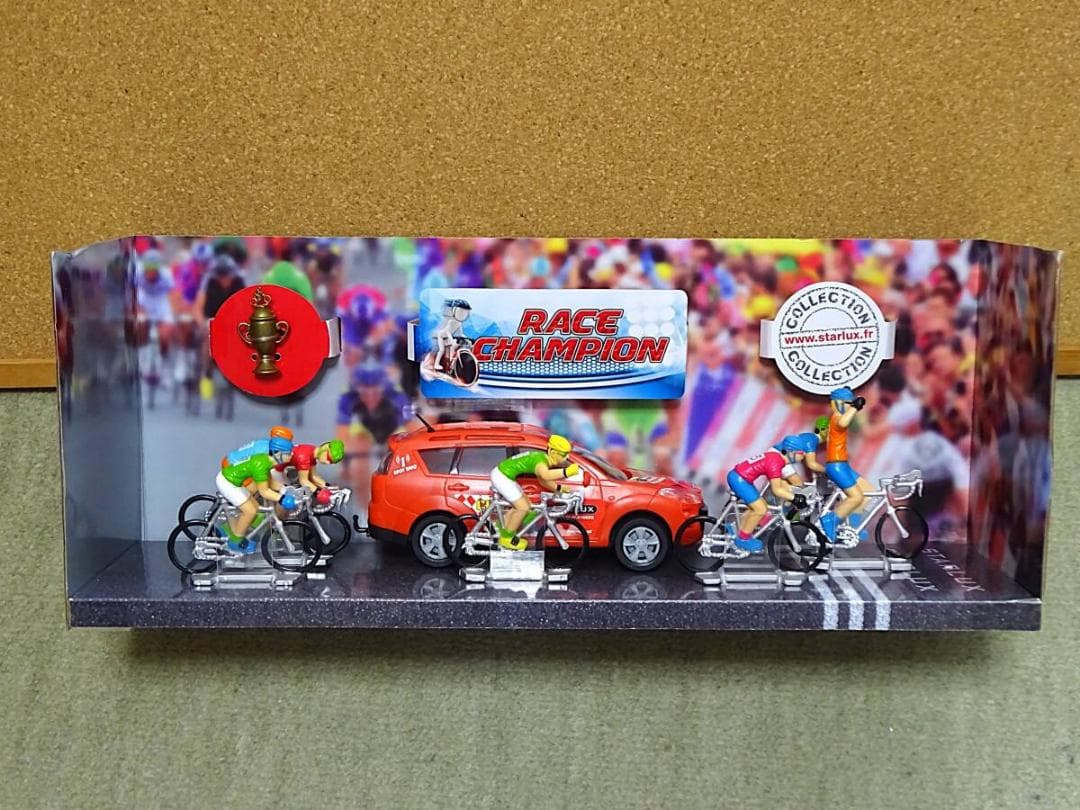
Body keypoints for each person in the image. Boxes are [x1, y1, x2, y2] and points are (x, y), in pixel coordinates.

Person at [491, 435, 579, 551]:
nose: (567, 457)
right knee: (522, 507)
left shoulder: (542, 460)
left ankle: (503, 528)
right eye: (564, 454)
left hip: (504, 475)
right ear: (553, 453)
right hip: (502, 476)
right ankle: (507, 539)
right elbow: (546, 475)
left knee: (527, 506)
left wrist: (558, 488)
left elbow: (543, 481)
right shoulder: (541, 463)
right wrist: (567, 472)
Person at [726, 441, 811, 553]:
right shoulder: (776, 462)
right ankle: (743, 539)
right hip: (740, 479)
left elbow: (779, 482)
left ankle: (737, 528)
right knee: (760, 509)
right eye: (801, 453)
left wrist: (790, 491)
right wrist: (794, 498)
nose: (804, 455)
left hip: (741, 477)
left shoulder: (776, 458)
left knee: (758, 506)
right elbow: (776, 489)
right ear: (791, 453)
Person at [214, 440, 297, 552]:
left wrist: (284, 488)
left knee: (256, 508)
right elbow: (264, 492)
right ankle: (235, 542)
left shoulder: (267, 461)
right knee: (250, 511)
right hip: (228, 482)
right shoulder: (261, 465)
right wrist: (282, 498)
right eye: (288, 453)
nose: (291, 455)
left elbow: (270, 482)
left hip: (234, 481)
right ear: (278, 454)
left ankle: (233, 528)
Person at [820, 387, 875, 541]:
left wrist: (854, 408)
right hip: (836, 465)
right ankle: (830, 520)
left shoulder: (841, 415)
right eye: (845, 403)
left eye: (849, 403)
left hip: (842, 464)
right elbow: (843, 423)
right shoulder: (836, 417)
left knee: (868, 491)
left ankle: (853, 527)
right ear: (836, 403)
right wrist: (855, 407)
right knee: (856, 497)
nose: (847, 406)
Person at [271, 439, 346, 492]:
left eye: (331, 462)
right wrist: (317, 492)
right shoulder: (304, 457)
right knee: (286, 491)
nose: (328, 463)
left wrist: (328, 486)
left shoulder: (313, 452)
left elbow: (314, 476)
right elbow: (303, 481)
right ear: (324, 449)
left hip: (287, 468)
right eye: (328, 459)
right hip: (277, 469)